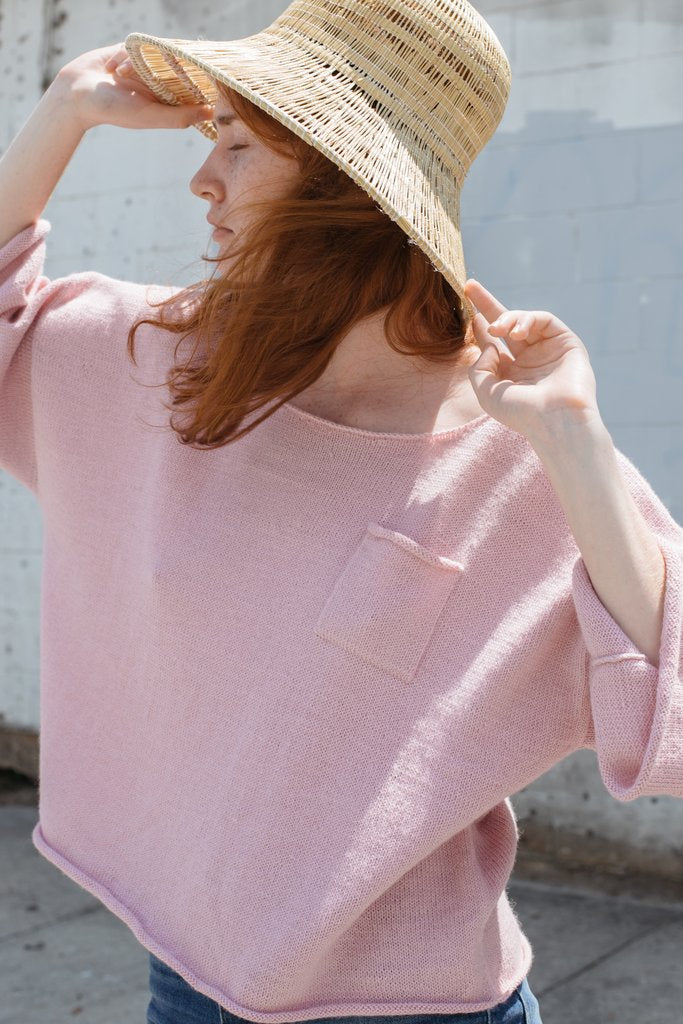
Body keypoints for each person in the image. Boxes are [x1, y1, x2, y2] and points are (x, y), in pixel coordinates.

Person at [0, 3, 681, 1024]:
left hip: (419, 1004)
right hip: (185, 975)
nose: (201, 179)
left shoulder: (521, 449)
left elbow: (671, 694)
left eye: (237, 145)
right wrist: (63, 111)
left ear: (343, 187)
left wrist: (575, 442)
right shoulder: (172, 370)